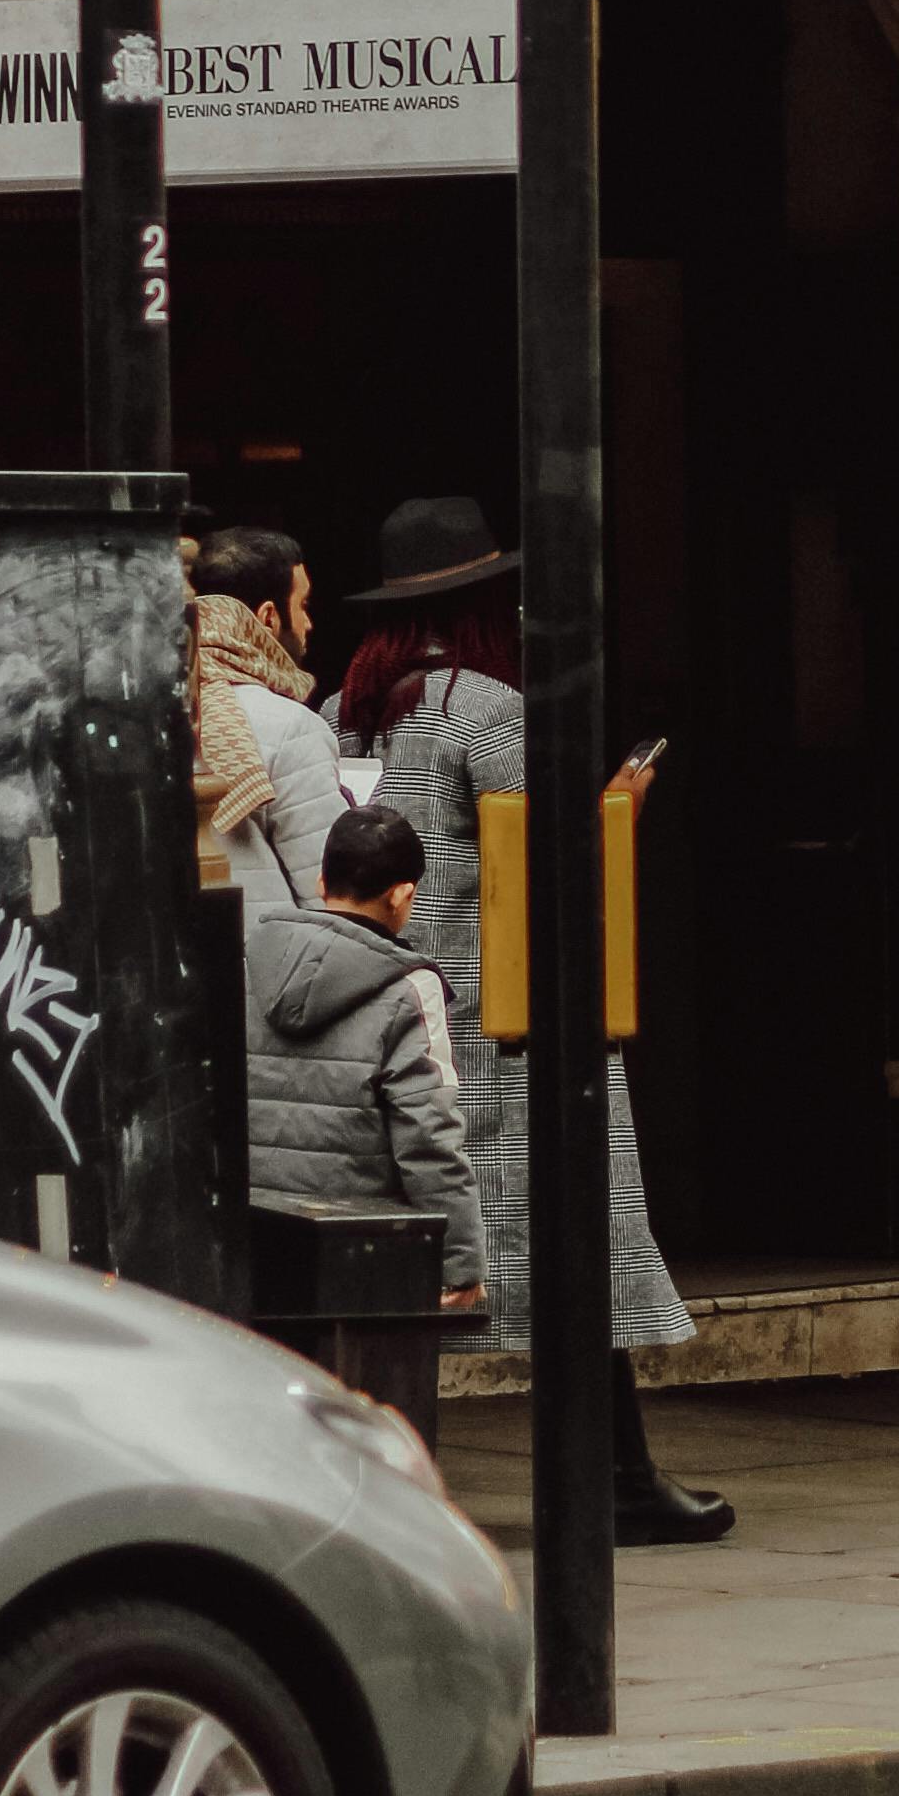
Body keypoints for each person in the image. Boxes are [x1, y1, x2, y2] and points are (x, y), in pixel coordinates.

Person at [333, 492, 729, 1551]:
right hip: (513, 1028)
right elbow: (554, 861)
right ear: (485, 602)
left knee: (413, 1267)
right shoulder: (491, 712)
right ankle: (620, 1478)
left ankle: (402, 1483)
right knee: (578, 1240)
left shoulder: (347, 711)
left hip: (401, 1025)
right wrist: (622, 809)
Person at [244, 799, 488, 1309]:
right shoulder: (409, 988)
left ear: (321, 883)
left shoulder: (246, 962)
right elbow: (428, 1134)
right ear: (402, 895)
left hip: (255, 1239)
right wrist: (460, 1262)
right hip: (365, 1246)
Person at [188, 523, 355, 913]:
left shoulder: (144, 711)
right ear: (267, 617)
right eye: (303, 606)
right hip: (263, 967)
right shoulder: (291, 728)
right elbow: (331, 896)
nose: (309, 624)